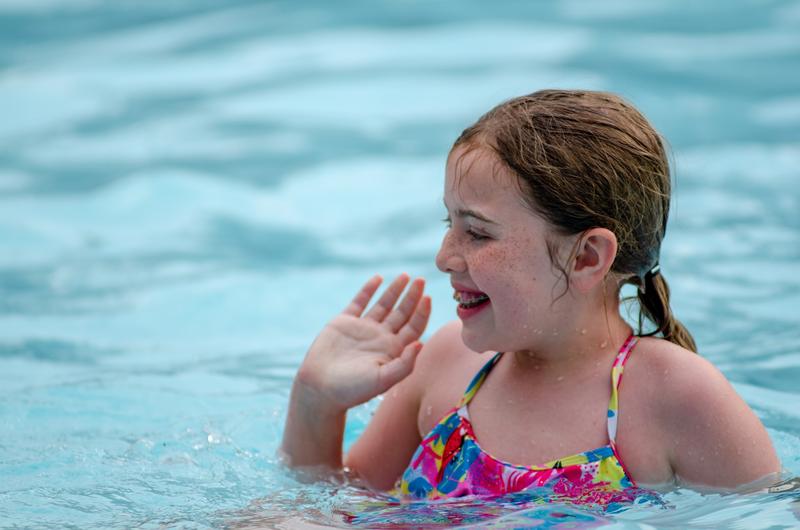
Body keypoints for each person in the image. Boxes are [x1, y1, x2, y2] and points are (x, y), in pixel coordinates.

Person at [280, 89, 781, 503]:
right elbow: (332, 507)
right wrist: (316, 402)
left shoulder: (675, 397)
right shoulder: (447, 363)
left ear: (586, 257)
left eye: (477, 234)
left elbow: (767, 517)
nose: (445, 256)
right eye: (448, 223)